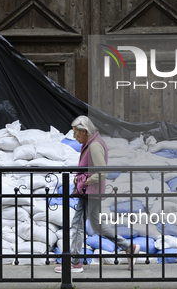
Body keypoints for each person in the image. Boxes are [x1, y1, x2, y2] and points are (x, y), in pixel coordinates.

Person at [55, 116, 139, 273]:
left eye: (75, 133)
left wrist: (85, 182)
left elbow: (102, 172)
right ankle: (129, 247)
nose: (73, 136)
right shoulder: (92, 143)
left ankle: (75, 263)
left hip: (89, 191)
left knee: (77, 225)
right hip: (91, 191)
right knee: (97, 226)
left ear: (84, 131)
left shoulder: (94, 146)